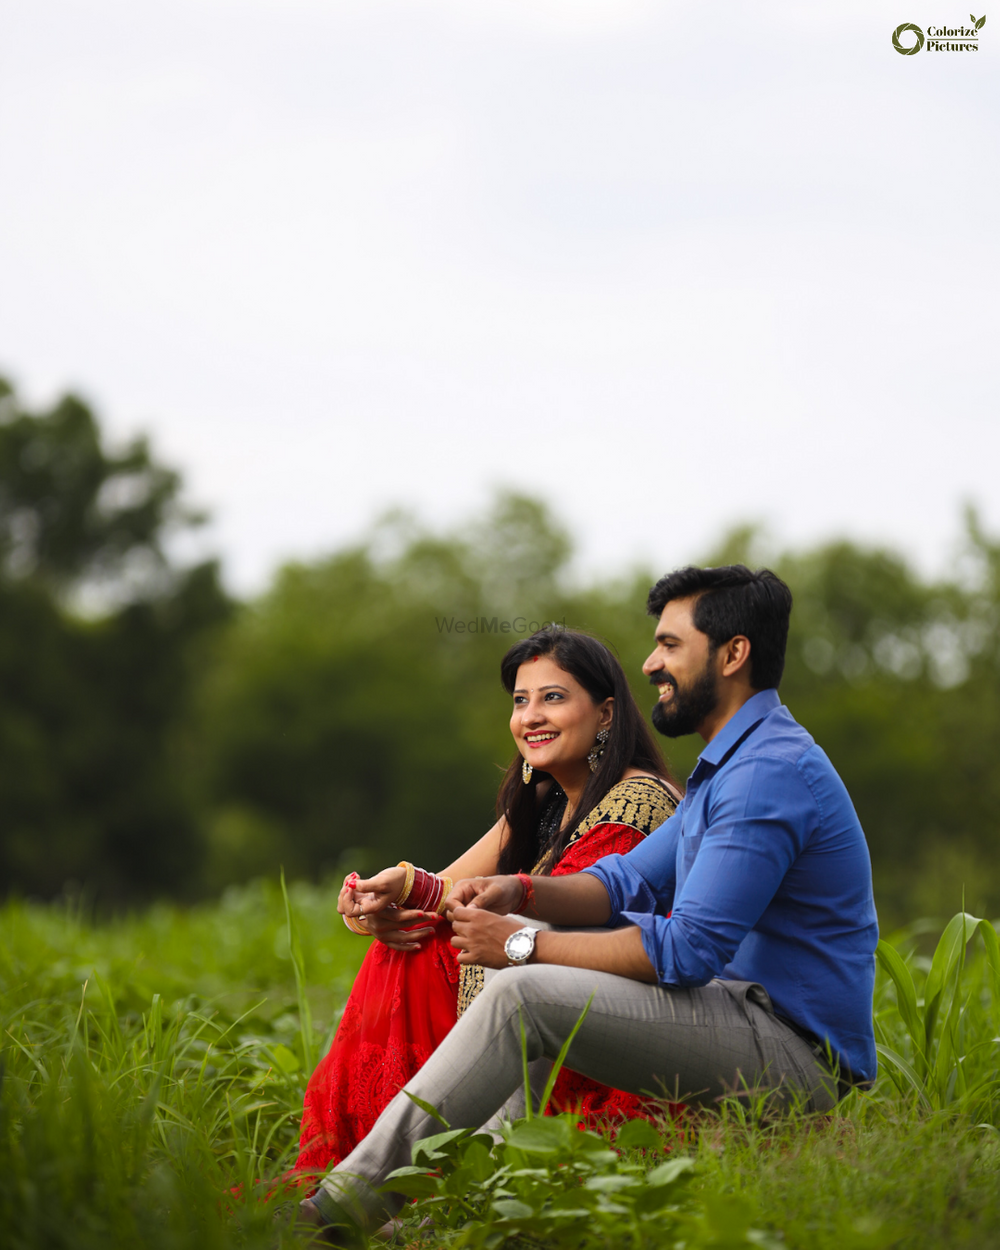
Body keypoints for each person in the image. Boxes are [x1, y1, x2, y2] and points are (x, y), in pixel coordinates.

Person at [297, 564, 880, 1244]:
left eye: (669, 645)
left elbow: (689, 951)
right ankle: (472, 1205)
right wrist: (522, 890)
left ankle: (335, 1217)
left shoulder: (765, 776)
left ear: (733, 653)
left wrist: (520, 942)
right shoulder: (730, 767)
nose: (651, 662)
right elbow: (620, 882)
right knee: (539, 990)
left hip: (792, 1054)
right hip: (738, 1014)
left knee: (526, 993)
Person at [292, 628, 681, 1179]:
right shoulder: (549, 796)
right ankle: (394, 1169)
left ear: (607, 713)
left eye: (554, 697)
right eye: (521, 701)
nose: (531, 717)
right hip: (541, 995)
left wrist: (416, 893)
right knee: (411, 944)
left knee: (436, 945)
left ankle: (413, 1175)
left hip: (605, 1016)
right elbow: (445, 888)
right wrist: (375, 904)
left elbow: (558, 913)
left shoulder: (634, 802)